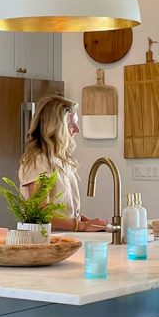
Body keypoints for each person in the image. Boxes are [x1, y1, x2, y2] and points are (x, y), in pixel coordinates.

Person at [18, 95, 110, 232]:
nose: (77, 130)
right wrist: (81, 226)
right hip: (48, 241)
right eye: (72, 125)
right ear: (56, 128)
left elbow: (66, 209)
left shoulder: (60, 159)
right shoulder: (39, 161)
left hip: (65, 239)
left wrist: (85, 221)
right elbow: (41, 214)